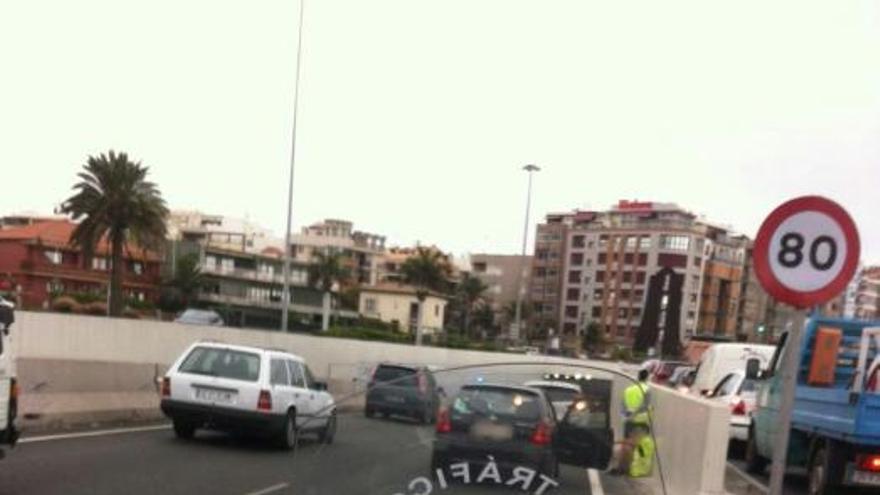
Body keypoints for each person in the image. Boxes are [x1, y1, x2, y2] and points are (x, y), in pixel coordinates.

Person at [612, 368, 653, 476]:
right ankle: (633, 468)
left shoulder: (628, 389)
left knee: (626, 445)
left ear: (638, 377)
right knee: (637, 446)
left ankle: (622, 467)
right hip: (641, 421)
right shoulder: (646, 389)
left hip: (628, 420)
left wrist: (625, 416)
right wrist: (635, 413)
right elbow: (645, 406)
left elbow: (623, 405)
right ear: (647, 377)